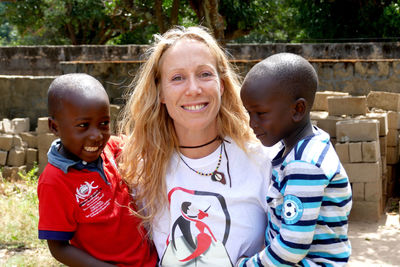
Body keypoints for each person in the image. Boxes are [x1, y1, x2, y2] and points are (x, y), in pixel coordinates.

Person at [118, 26, 274, 266]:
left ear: (221, 85)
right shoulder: (141, 170)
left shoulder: (264, 159)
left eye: (204, 74)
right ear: (160, 92)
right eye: (177, 78)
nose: (193, 89)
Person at [238, 53, 352, 266]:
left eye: (261, 113)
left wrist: (248, 265)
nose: (252, 123)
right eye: (249, 112)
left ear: (298, 110)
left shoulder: (304, 165)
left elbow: (292, 246)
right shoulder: (299, 148)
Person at [37, 73, 157, 267]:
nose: (96, 136)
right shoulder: (54, 181)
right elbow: (59, 248)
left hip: (150, 260)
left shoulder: (109, 148)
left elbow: (139, 146)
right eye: (83, 126)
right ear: (54, 127)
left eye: (104, 124)